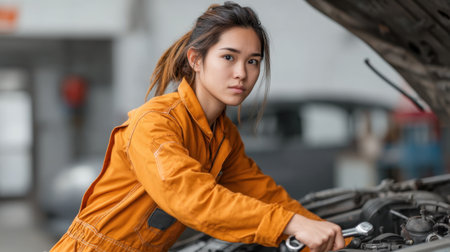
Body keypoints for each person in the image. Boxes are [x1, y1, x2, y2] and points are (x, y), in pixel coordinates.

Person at [50, 2, 345, 252]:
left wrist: (325, 233)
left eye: (253, 61)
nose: (241, 73)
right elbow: (192, 199)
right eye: (228, 57)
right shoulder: (155, 123)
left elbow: (262, 194)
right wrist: (291, 224)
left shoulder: (222, 135)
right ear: (196, 60)